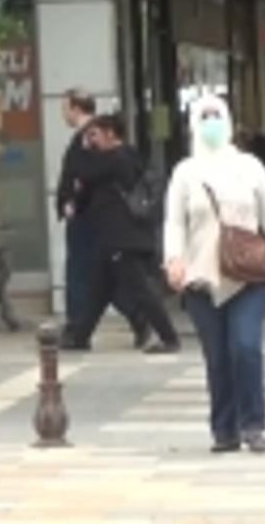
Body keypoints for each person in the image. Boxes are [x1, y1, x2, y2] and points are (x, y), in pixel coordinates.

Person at [162, 94, 265, 454]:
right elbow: (174, 223)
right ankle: (224, 430)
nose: (211, 123)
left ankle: (253, 425)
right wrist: (174, 259)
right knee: (217, 357)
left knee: (245, 346)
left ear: (228, 121)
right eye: (204, 117)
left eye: (217, 116)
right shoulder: (185, 172)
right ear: (193, 124)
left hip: (249, 276)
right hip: (201, 279)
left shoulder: (250, 167)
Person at [62, 114, 179, 354]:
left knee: (141, 290)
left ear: (111, 134)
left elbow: (82, 169)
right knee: (99, 290)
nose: (91, 141)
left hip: (123, 237)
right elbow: (88, 187)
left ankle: (169, 337)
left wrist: (79, 142)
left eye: (95, 135)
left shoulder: (119, 158)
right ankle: (80, 336)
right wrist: (75, 204)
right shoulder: (114, 159)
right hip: (112, 236)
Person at [56, 90, 145, 349]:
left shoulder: (90, 137)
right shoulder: (91, 135)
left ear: (75, 108)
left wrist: (73, 201)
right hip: (93, 215)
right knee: (103, 277)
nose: (63, 114)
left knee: (85, 274)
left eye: (65, 108)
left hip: (89, 216)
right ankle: (83, 330)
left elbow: (87, 173)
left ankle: (78, 329)